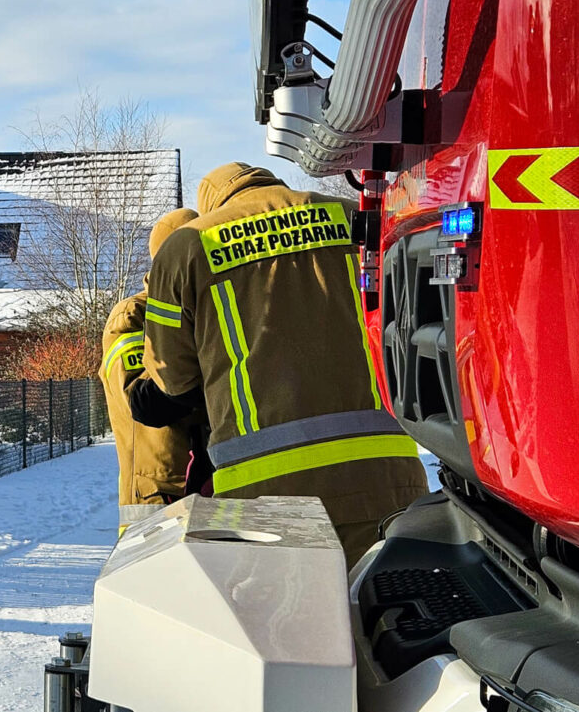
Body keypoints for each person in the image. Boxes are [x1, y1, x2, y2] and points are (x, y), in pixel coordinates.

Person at [129, 162, 427, 565]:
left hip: (265, 493)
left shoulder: (186, 247)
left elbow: (172, 383)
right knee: (386, 614)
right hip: (388, 475)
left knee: (289, 620)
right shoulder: (353, 216)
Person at [100, 208, 209, 535]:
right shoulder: (133, 315)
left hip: (205, 489)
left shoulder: (206, 311)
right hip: (157, 499)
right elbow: (144, 401)